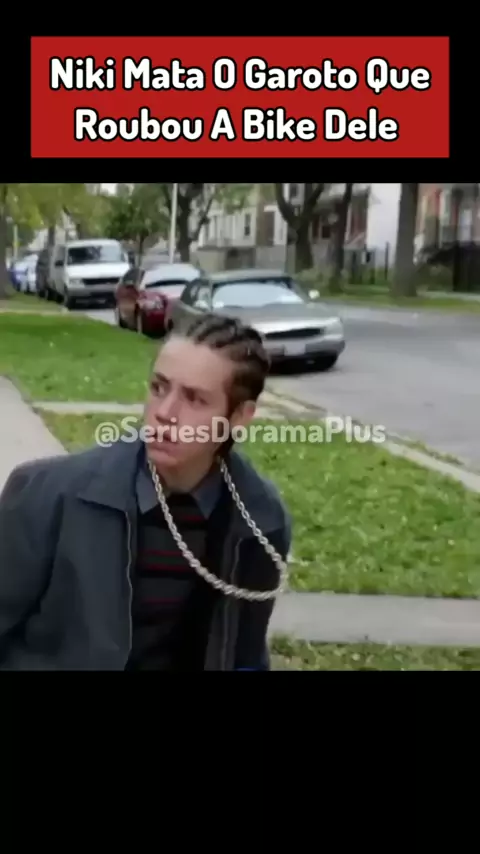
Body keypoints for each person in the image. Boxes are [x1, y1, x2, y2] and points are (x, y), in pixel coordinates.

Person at [0, 313, 292, 671]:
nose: (165, 413)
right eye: (159, 388)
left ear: (239, 417)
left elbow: (243, 655)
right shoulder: (47, 494)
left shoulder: (260, 519)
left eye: (194, 399)